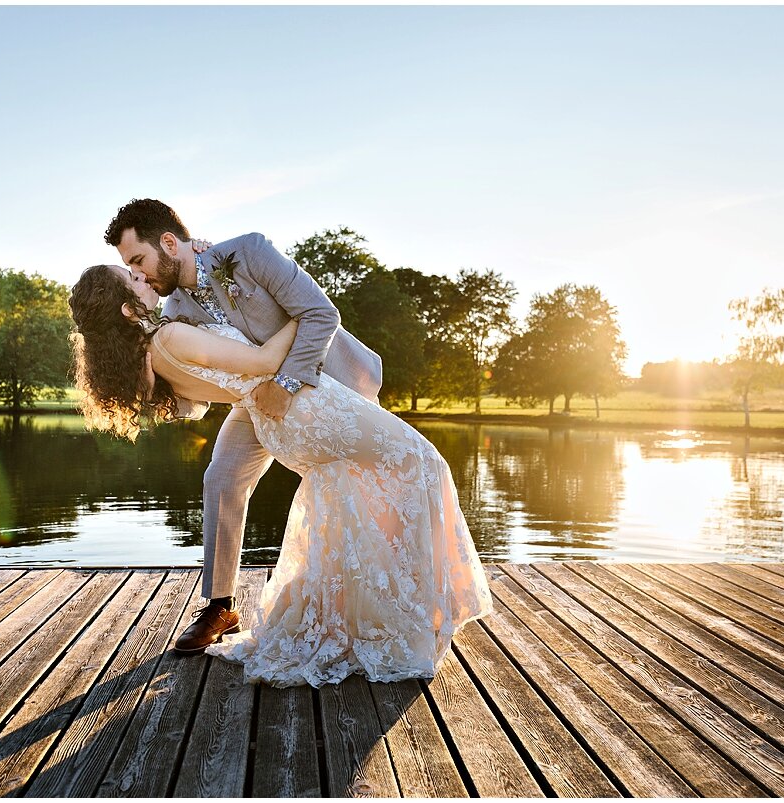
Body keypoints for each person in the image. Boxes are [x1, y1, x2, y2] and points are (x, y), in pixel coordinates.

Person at [69, 263, 492, 687]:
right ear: (127, 309)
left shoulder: (167, 327)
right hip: (293, 402)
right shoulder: (170, 330)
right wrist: (301, 315)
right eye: (133, 276)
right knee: (423, 461)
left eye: (136, 265)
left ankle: (355, 611)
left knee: (346, 485)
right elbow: (262, 360)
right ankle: (419, 604)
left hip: (282, 407)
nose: (139, 273)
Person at [101, 199, 384, 654]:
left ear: (169, 243)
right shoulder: (173, 313)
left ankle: (371, 594)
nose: (140, 274)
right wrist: (159, 396)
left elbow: (320, 314)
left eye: (139, 260)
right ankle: (220, 606)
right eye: (131, 267)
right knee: (221, 478)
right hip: (255, 404)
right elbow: (197, 403)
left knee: (358, 489)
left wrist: (287, 384)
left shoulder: (248, 253)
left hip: (330, 385)